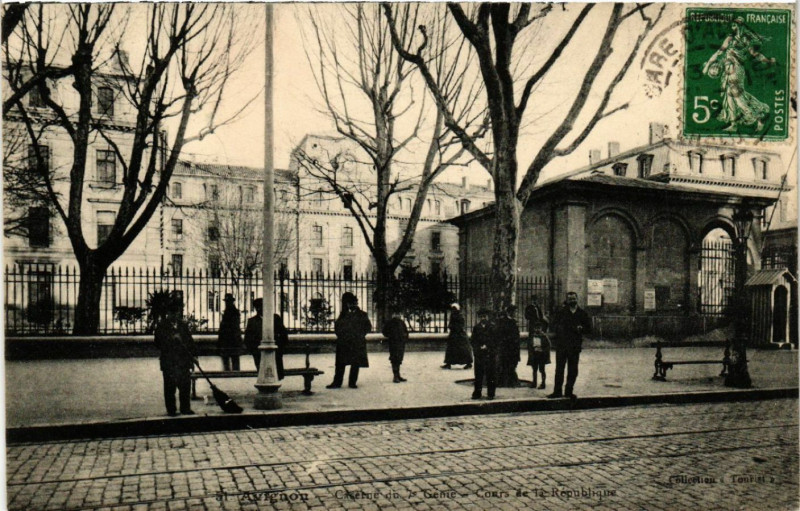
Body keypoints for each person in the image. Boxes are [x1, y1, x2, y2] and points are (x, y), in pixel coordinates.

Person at [702, 17, 775, 132]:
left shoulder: (746, 40)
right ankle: (734, 124)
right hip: (727, 71)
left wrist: (768, 61)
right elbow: (719, 52)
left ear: (741, 26)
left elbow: (755, 54)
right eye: (732, 26)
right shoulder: (729, 39)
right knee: (730, 98)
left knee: (739, 98)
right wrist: (707, 66)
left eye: (735, 25)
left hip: (736, 70)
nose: (734, 28)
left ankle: (759, 117)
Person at [153, 291, 195, 416]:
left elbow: (190, 341)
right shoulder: (162, 326)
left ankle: (185, 408)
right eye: (172, 313)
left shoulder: (183, 325)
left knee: (185, 386)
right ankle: (171, 409)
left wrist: (194, 356)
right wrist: (171, 338)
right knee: (170, 387)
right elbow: (157, 343)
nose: (175, 315)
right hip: (169, 361)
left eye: (177, 312)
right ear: (168, 313)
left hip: (183, 361)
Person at [548, 291, 591, 400]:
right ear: (567, 300)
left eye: (574, 299)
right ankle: (557, 391)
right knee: (559, 370)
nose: (572, 301)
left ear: (577, 299)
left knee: (573, 370)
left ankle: (569, 391)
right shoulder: (561, 312)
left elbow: (589, 329)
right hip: (562, 345)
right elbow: (554, 325)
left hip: (574, 346)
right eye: (570, 299)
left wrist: (582, 329)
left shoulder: (582, 314)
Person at [328, 292, 371, 389]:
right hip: (344, 342)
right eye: (349, 303)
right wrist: (341, 336)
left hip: (356, 342)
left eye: (353, 303)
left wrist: (359, 335)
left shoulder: (362, 315)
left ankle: (352, 382)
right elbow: (337, 327)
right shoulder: (343, 314)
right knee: (340, 363)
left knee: (355, 363)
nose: (351, 305)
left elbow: (368, 327)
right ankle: (337, 382)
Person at [244, 298, 289, 379]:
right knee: (262, 375)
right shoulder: (252, 321)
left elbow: (284, 334)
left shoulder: (275, 318)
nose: (259, 309)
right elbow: (247, 338)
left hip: (275, 351)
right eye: (257, 307)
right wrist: (253, 350)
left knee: (276, 374)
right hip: (259, 353)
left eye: (261, 306)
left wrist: (280, 348)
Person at [470, 309, 496, 400]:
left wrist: (488, 347)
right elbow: (473, 341)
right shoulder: (476, 328)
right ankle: (477, 393)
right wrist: (478, 349)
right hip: (479, 355)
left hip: (489, 354)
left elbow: (495, 341)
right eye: (481, 317)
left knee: (490, 374)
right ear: (479, 318)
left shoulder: (492, 327)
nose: (483, 318)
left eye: (485, 316)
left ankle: (491, 393)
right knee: (478, 374)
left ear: (488, 317)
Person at [495, 305, 521, 387]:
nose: (515, 313)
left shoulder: (514, 321)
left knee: (512, 364)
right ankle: (504, 382)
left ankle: (510, 382)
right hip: (506, 347)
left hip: (513, 347)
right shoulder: (503, 321)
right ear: (510, 312)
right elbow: (499, 334)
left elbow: (517, 335)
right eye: (514, 312)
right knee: (504, 364)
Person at [442, 303, 472, 370]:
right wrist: (451, 326)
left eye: (454, 309)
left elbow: (461, 325)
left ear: (457, 309)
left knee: (463, 349)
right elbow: (450, 324)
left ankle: (468, 363)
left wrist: (454, 327)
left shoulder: (460, 316)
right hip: (453, 334)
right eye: (452, 309)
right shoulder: (452, 315)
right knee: (450, 349)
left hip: (459, 335)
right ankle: (448, 363)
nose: (453, 310)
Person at [218, 293, 243, 371]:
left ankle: (231, 373)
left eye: (228, 301)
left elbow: (233, 327)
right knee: (232, 359)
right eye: (226, 301)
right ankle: (232, 373)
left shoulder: (233, 312)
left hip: (230, 340)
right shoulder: (229, 311)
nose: (227, 303)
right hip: (230, 340)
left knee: (231, 359)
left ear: (232, 302)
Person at [382, 310, 408, 383]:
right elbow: (384, 332)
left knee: (399, 359)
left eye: (399, 313)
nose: (398, 315)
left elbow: (406, 331)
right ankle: (395, 376)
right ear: (393, 314)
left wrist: (405, 337)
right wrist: (391, 336)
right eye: (396, 313)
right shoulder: (390, 322)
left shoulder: (401, 322)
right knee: (394, 359)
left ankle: (398, 375)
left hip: (401, 343)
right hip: (393, 343)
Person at [526, 325, 551, 389]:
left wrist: (543, 350)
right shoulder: (532, 336)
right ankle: (534, 383)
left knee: (542, 370)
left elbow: (548, 345)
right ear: (534, 329)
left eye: (539, 328)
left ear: (541, 329)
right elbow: (529, 345)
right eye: (536, 328)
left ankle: (543, 383)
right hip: (534, 355)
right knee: (534, 370)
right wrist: (531, 351)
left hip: (541, 355)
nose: (537, 330)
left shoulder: (544, 336)